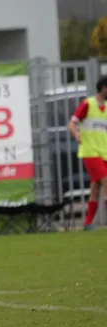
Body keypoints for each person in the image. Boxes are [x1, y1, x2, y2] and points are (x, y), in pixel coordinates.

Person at [68, 75, 107, 230]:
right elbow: (72, 123)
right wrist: (76, 134)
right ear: (103, 88)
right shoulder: (87, 104)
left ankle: (88, 223)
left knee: (96, 187)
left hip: (104, 152)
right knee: (106, 180)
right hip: (90, 152)